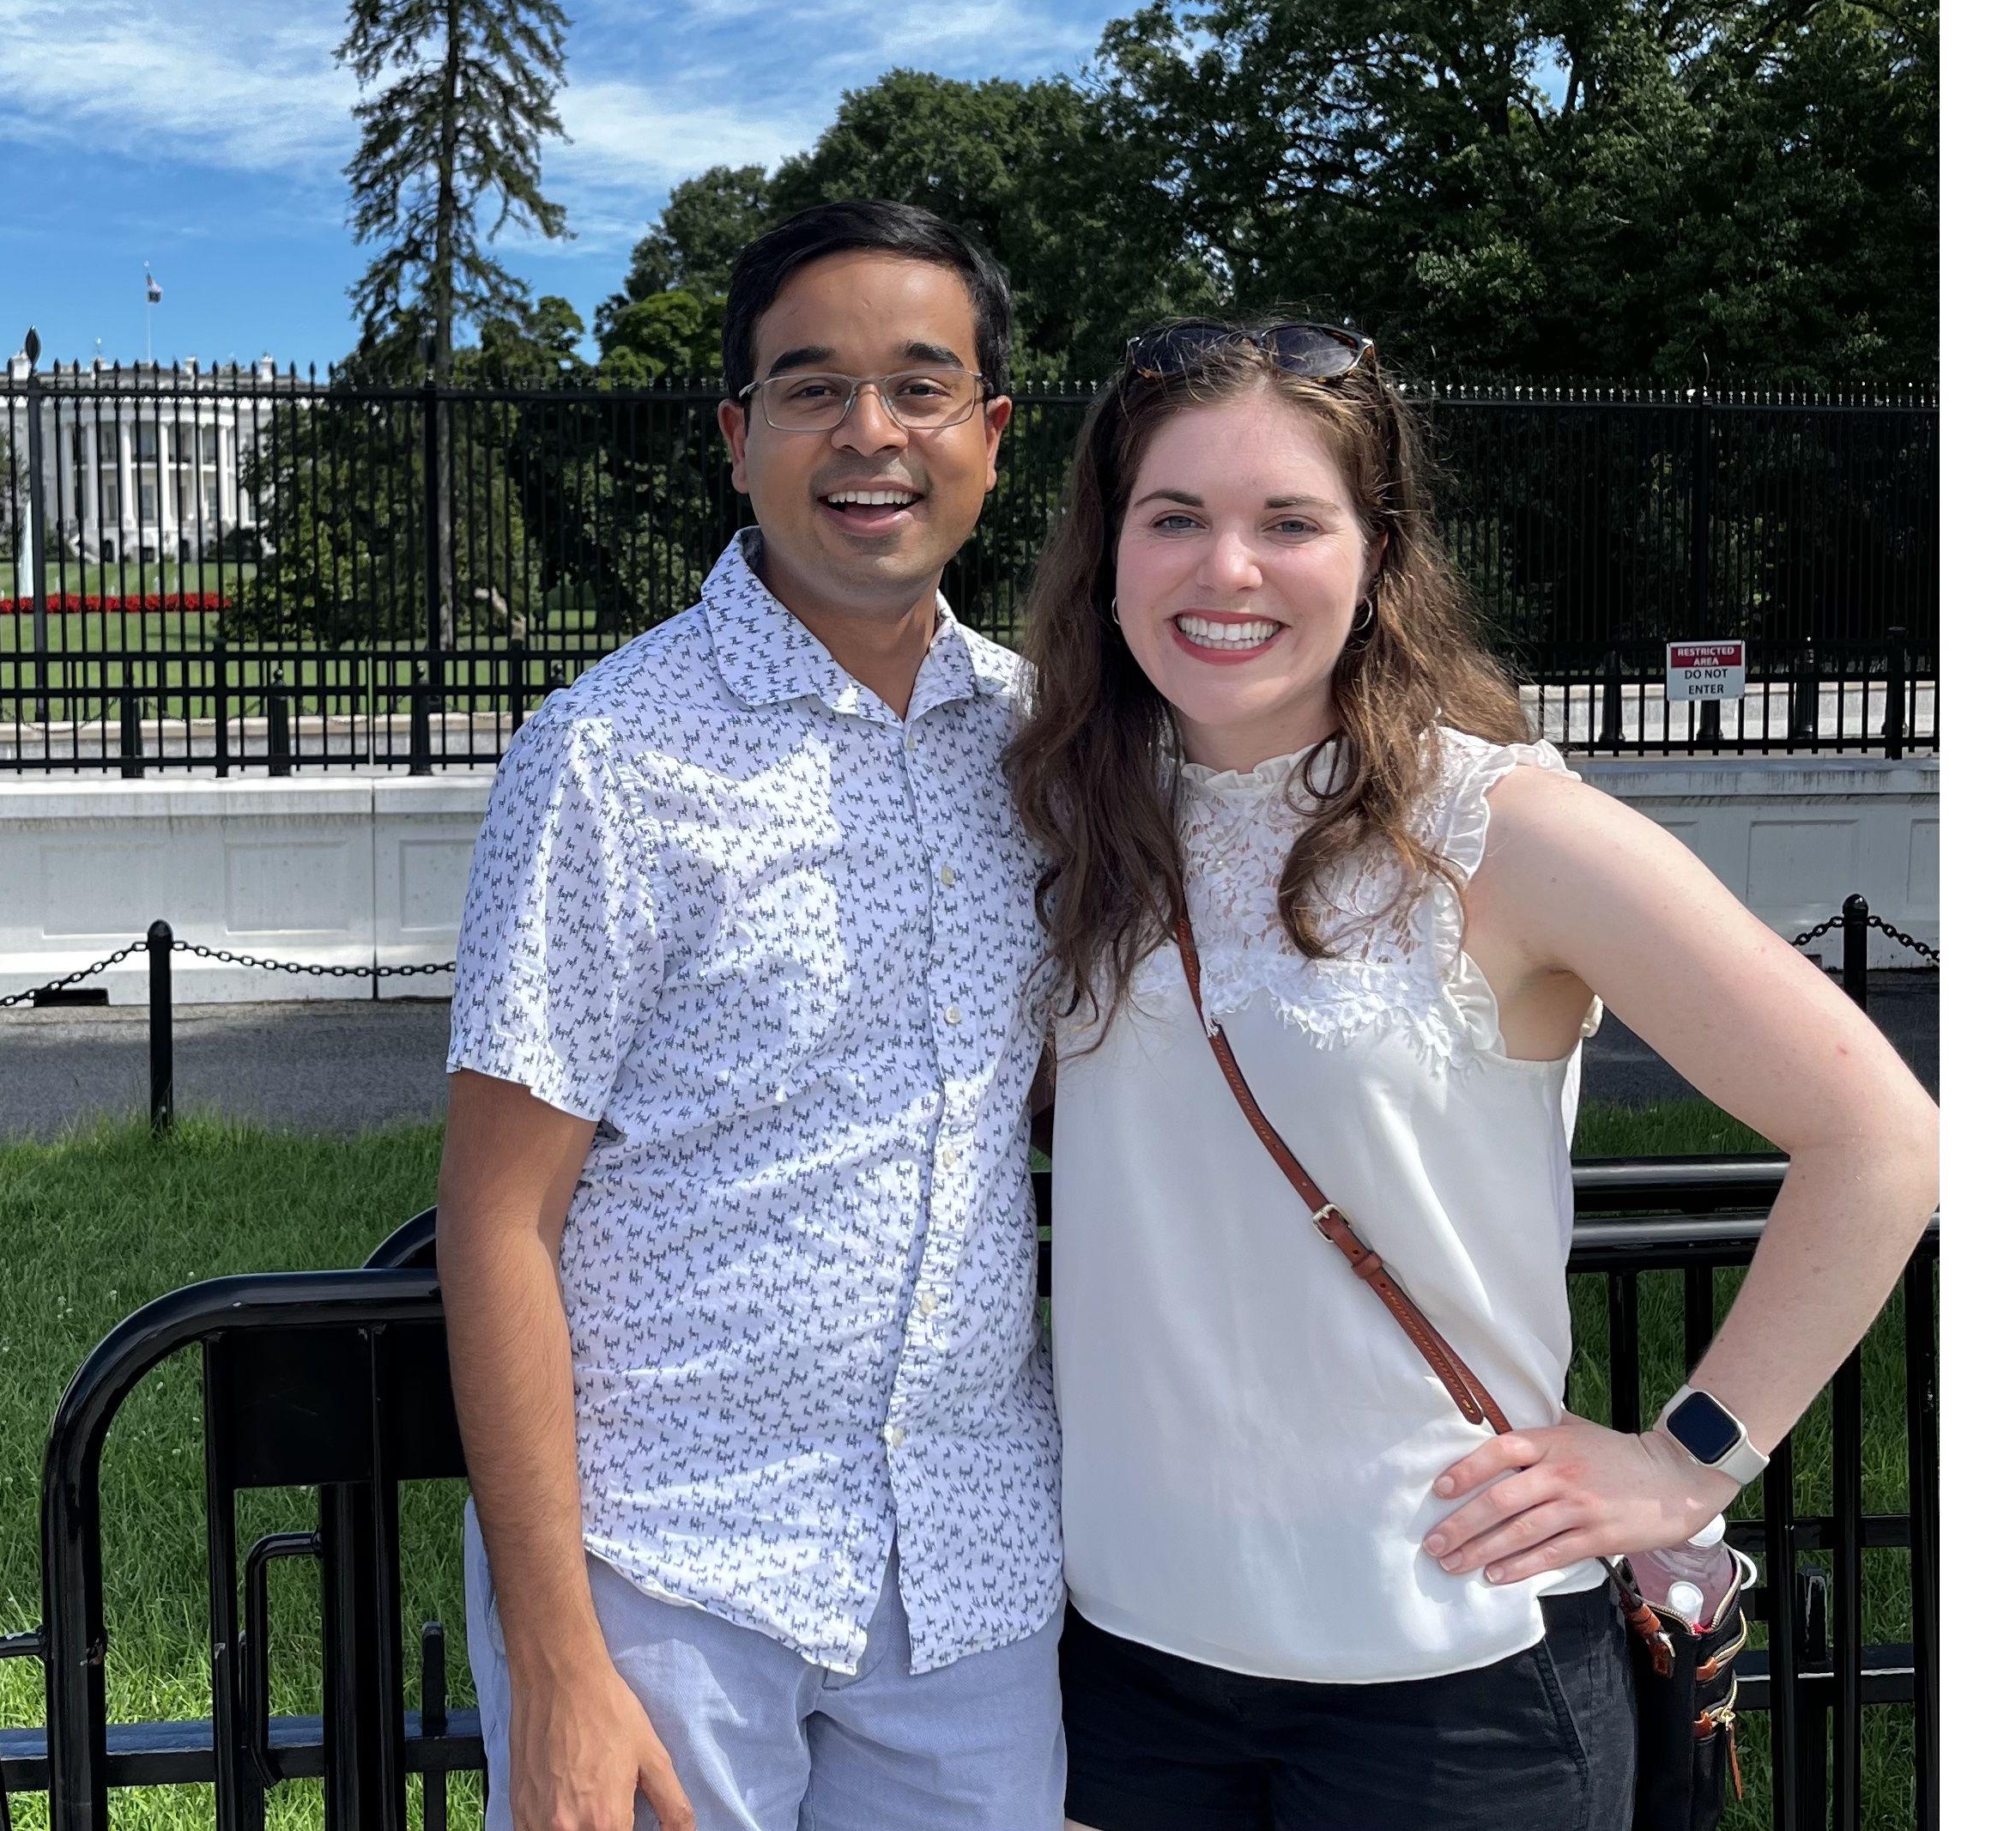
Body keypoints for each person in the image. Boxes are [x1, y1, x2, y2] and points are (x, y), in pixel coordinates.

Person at [1006, 322, 1940, 1831]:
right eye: (1171, 516)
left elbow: (1879, 1133)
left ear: (1373, 555)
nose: (1223, 568)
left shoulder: (1502, 825)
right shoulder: (1071, 818)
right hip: (1128, 1670)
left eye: (1287, 521)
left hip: (1448, 1676)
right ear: (1106, 554)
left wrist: (1689, 1457)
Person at [437, 201, 1068, 1831]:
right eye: (809, 387)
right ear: (736, 437)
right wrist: (556, 1652)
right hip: (666, 1569)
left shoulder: (1045, 748)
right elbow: (497, 1219)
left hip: (971, 1573)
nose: (869, 433)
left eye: (921, 386)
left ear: (991, 436)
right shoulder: (606, 758)